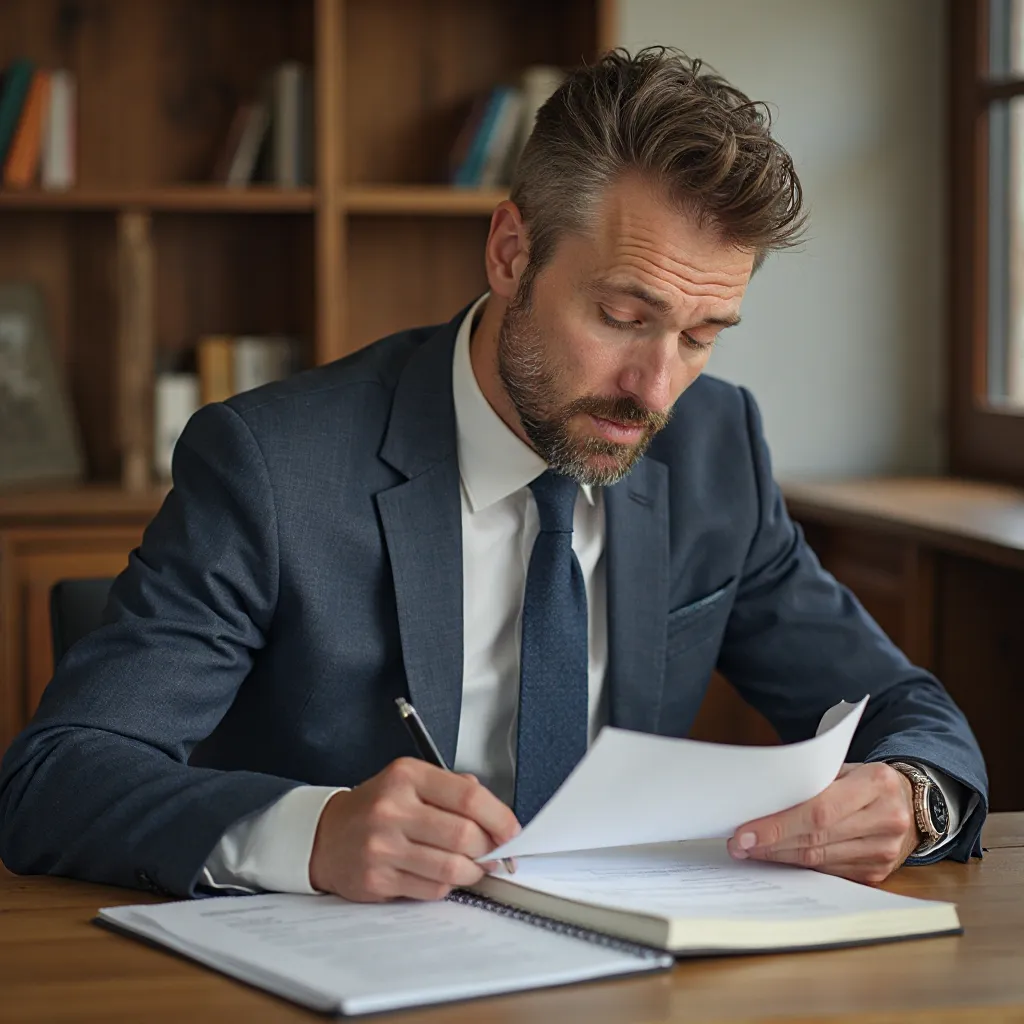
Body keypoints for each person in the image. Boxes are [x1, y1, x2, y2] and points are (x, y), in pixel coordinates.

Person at [0, 49, 985, 902]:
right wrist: (316, 831)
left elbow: (906, 709)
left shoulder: (715, 444)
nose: (654, 387)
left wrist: (910, 795)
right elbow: (55, 779)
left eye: (699, 335)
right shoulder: (273, 465)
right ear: (511, 250)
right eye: (622, 316)